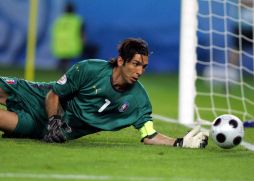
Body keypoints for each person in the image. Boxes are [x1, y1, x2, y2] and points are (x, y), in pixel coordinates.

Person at [0, 38, 208, 148]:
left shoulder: (138, 101)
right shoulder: (89, 69)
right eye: (135, 64)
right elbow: (54, 94)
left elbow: (149, 136)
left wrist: (179, 142)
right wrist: (54, 119)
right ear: (121, 61)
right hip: (38, 97)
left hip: (40, 127)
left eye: (144, 67)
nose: (139, 71)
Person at [51, 2, 98, 72]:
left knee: (65, 59)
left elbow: (53, 33)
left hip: (59, 48)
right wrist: (83, 43)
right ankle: (89, 69)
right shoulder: (77, 20)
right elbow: (83, 36)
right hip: (72, 47)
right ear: (74, 10)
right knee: (93, 49)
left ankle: (63, 67)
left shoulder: (59, 20)